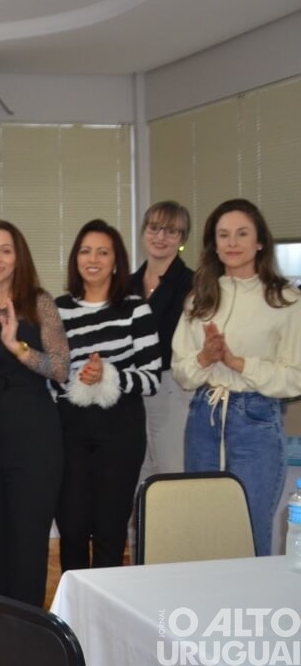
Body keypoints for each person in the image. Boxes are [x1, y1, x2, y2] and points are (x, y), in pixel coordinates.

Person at [172, 198, 301, 556]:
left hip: (256, 421)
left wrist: (236, 362)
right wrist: (206, 357)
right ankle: (207, 609)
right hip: (204, 417)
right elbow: (182, 372)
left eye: (242, 233)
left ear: (260, 240)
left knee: (248, 528)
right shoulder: (200, 298)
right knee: (204, 527)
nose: (232, 242)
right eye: (223, 235)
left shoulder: (285, 299)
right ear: (214, 245)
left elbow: (295, 377)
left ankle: (250, 611)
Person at [0, 220, 68, 607]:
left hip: (34, 434)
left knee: (27, 540)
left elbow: (61, 368)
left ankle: (28, 637)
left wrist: (15, 345)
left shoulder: (39, 303)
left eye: (5, 250)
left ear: (18, 257)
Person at [53, 220, 160, 570]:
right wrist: (78, 379)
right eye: (85, 251)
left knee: (110, 532)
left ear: (116, 261)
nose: (93, 259)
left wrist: (107, 375)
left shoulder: (135, 308)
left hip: (121, 430)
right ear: (75, 259)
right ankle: (68, 619)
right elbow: (51, 375)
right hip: (70, 430)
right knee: (70, 528)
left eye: (103, 251)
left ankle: (105, 618)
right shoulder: (58, 309)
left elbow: (151, 378)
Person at [129, 201, 195, 483]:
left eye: (171, 231)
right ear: (144, 232)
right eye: (154, 228)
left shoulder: (193, 283)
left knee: (169, 472)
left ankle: (169, 529)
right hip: (132, 390)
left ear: (182, 239)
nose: (160, 237)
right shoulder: (126, 284)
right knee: (135, 473)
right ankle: (137, 530)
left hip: (172, 387)